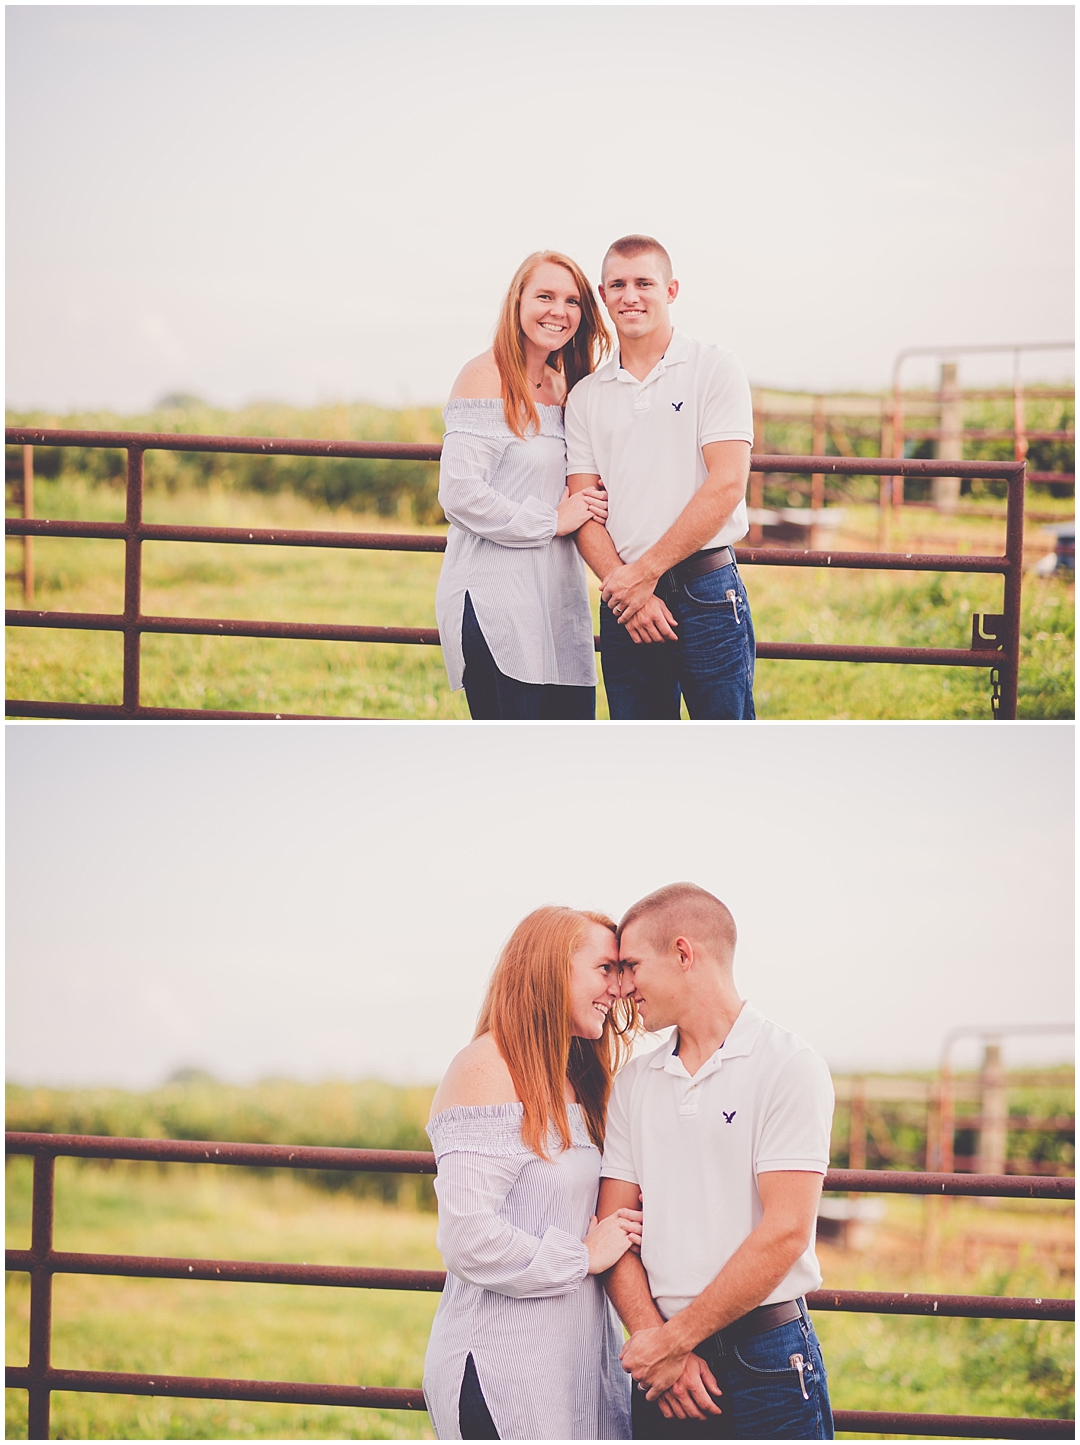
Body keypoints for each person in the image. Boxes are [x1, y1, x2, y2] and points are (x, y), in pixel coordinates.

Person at [597, 882, 835, 1439]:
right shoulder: (635, 1081)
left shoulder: (789, 1066)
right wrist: (657, 1341)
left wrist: (671, 1342)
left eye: (631, 966)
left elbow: (786, 1232)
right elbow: (611, 1228)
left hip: (766, 1361)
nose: (623, 986)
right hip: (661, 1364)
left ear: (684, 954)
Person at [422, 906, 641, 1439]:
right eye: (605, 969)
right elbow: (468, 1237)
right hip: (505, 1368)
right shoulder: (486, 1069)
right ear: (550, 970)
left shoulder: (577, 1077)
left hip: (571, 1363)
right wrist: (582, 1256)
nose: (618, 988)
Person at [565, 236, 757, 719]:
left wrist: (643, 575)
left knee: (727, 753)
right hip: (625, 602)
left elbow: (728, 484)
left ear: (670, 290)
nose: (631, 296)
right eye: (618, 285)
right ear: (604, 295)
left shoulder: (715, 368)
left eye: (644, 283)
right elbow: (583, 504)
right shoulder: (586, 396)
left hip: (706, 591)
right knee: (639, 761)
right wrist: (625, 586)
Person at [435, 252, 611, 719]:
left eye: (572, 300)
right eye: (545, 296)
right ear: (518, 302)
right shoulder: (484, 377)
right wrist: (552, 520)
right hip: (498, 599)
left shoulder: (562, 388)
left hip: (558, 602)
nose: (559, 310)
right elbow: (459, 492)